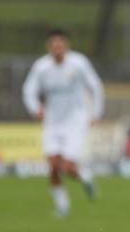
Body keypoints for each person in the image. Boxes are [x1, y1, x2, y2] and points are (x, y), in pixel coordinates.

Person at [22, 29, 103, 217]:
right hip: (52, 121)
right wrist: (36, 109)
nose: (57, 48)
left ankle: (86, 177)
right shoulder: (41, 67)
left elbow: (96, 87)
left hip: (75, 120)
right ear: (49, 47)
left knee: (66, 166)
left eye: (61, 44)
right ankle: (62, 206)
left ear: (67, 46)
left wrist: (96, 113)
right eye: (53, 44)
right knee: (52, 166)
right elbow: (28, 90)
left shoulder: (79, 63)